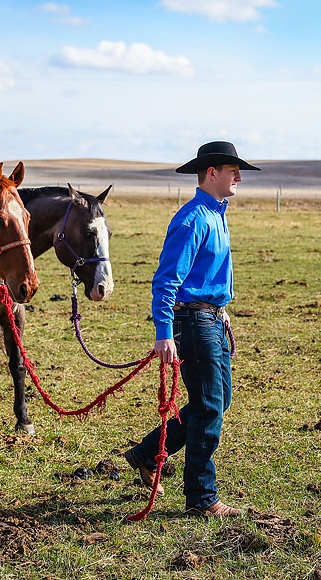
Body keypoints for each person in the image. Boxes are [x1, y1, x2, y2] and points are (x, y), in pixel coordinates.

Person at [124, 140, 260, 517]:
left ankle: (147, 453)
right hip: (193, 323)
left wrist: (221, 308)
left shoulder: (217, 213)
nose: (239, 175)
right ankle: (201, 498)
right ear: (211, 173)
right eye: (232, 169)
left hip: (211, 317)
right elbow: (166, 280)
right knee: (209, 407)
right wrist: (164, 332)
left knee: (217, 402)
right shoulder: (192, 219)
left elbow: (205, 273)